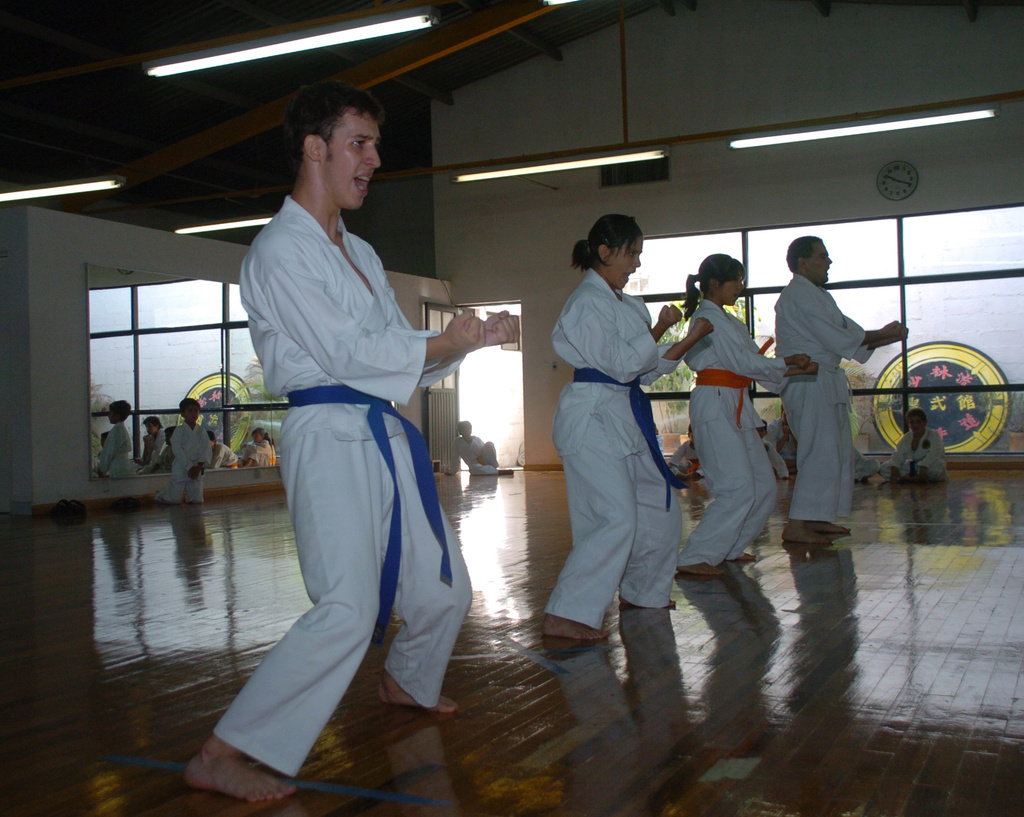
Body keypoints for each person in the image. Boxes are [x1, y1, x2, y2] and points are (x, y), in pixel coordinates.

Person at [184, 81, 519, 802]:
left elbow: (394, 351)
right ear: (315, 147)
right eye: (358, 143)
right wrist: (441, 342)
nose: (374, 160)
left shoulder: (360, 252)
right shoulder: (280, 251)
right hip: (328, 432)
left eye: (375, 144)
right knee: (346, 606)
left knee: (445, 591)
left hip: (382, 430)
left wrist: (466, 341)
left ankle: (407, 680)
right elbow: (346, 353)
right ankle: (222, 751)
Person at [541, 213, 714, 642]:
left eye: (639, 253)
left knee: (659, 506)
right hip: (591, 418)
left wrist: (688, 339)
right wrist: (661, 328)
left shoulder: (629, 305)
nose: (636, 263)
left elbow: (645, 370)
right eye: (631, 253)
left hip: (625, 414)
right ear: (604, 252)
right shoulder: (585, 303)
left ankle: (643, 592)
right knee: (613, 516)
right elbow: (620, 365)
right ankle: (568, 613)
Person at [675, 255, 818, 576]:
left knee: (764, 485)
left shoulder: (729, 321)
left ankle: (730, 547)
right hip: (714, 403)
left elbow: (752, 364)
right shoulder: (706, 319)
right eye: (736, 280)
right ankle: (694, 556)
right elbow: (744, 363)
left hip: (735, 402)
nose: (741, 286)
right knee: (736, 487)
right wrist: (788, 363)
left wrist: (795, 369)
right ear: (715, 284)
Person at [775, 236, 907, 544]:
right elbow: (836, 336)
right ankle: (796, 524)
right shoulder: (797, 295)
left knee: (835, 452)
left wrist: (885, 337)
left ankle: (818, 517)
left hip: (825, 380)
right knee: (816, 452)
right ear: (802, 263)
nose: (829, 262)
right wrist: (881, 334)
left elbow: (848, 333)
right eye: (822, 256)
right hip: (807, 381)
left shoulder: (819, 295)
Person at [155, 398, 211, 505]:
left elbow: (206, 450)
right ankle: (161, 495)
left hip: (197, 466)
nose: (193, 413)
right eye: (190, 411)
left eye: (196, 410)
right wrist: (189, 467)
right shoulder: (179, 431)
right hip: (181, 465)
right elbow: (177, 450)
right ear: (182, 414)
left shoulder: (201, 431)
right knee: (174, 500)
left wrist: (198, 467)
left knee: (197, 500)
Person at [881, 407, 948, 483]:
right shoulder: (907, 437)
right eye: (912, 422)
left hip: (930, 465)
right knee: (884, 467)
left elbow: (934, 454)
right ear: (908, 424)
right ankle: (913, 478)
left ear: (925, 422)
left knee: (936, 466)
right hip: (915, 467)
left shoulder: (933, 435)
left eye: (918, 422)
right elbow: (898, 453)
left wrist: (924, 466)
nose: (915, 425)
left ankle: (909, 477)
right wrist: (895, 467)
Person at [97, 400, 135, 477]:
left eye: (110, 412)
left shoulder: (117, 431)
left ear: (117, 415)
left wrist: (102, 469)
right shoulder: (120, 430)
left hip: (118, 470)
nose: (108, 415)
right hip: (122, 468)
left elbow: (108, 452)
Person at [764, 410, 798, 474]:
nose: (788, 417)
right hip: (779, 459)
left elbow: (801, 451)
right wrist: (785, 435)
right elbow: (772, 451)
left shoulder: (800, 426)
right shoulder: (773, 427)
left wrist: (793, 434)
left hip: (795, 460)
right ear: (782, 413)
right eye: (786, 415)